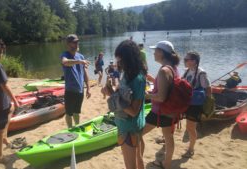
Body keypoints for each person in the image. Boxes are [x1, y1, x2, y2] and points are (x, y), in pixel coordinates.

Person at [102, 40, 147, 169]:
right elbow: (124, 94)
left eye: (120, 59)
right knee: (138, 160)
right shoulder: (128, 74)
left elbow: (133, 111)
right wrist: (112, 90)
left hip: (129, 128)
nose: (118, 62)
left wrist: (113, 95)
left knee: (131, 165)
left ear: (128, 58)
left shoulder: (137, 78)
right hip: (128, 125)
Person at [143, 40, 180, 169]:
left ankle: (138, 162)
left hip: (160, 112)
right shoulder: (173, 68)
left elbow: (161, 97)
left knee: (136, 134)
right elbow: (167, 88)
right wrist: (154, 81)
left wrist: (145, 95)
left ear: (161, 53)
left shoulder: (164, 70)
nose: (153, 53)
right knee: (168, 137)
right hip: (171, 111)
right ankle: (167, 164)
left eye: (155, 51)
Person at [182, 52, 211, 158]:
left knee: (190, 127)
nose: (184, 61)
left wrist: (208, 104)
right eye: (185, 59)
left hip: (195, 104)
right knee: (188, 127)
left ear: (194, 61)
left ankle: (191, 149)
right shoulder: (187, 71)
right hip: (187, 102)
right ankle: (191, 146)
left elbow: (208, 89)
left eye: (186, 59)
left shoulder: (201, 73)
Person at [61, 34, 91, 128]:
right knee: (69, 113)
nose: (77, 44)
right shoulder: (65, 55)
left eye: (77, 42)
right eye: (74, 42)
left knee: (77, 112)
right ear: (69, 44)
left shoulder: (81, 56)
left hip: (80, 90)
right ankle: (69, 129)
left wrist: (88, 88)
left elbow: (85, 74)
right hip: (70, 90)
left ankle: (77, 127)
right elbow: (65, 62)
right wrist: (79, 62)